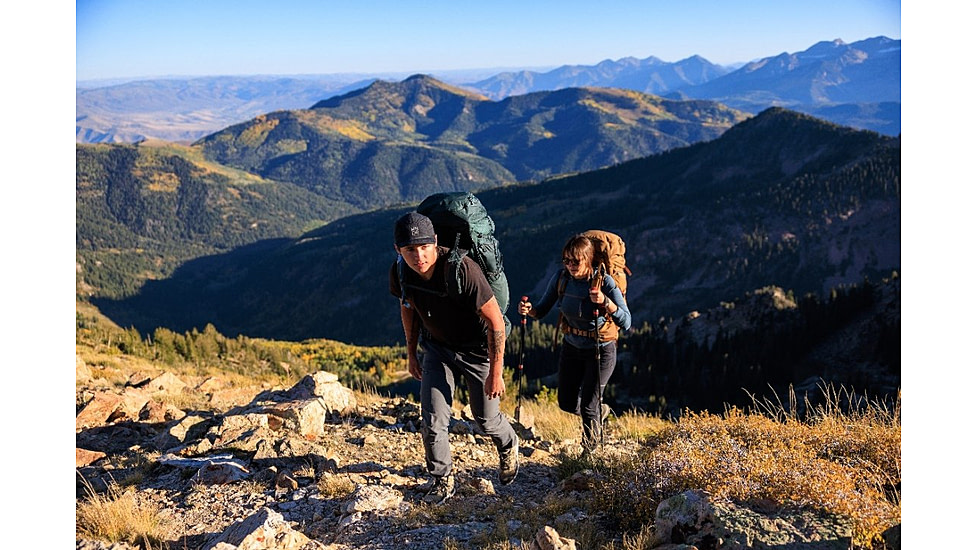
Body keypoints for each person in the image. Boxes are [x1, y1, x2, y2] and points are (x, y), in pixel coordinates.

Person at [390, 212, 520, 504]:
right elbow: (408, 306)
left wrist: (495, 372)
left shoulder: (462, 269)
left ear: (435, 242)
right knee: (433, 418)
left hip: (477, 351)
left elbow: (496, 322)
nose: (419, 255)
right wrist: (411, 353)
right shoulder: (400, 271)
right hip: (437, 348)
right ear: (398, 249)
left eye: (425, 246)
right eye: (410, 249)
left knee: (485, 420)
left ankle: (509, 443)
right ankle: (441, 480)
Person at [517, 234, 631, 453]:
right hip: (571, 347)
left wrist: (605, 302)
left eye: (575, 261)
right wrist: (528, 310)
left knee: (588, 405)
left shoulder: (605, 282)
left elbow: (626, 321)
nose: (570, 265)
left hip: (601, 349)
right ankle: (600, 411)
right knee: (566, 403)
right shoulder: (562, 279)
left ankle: (590, 453)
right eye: (566, 260)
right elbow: (541, 310)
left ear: (588, 259)